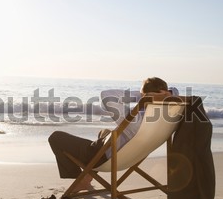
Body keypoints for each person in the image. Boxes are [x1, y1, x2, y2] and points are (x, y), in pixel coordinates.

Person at [48, 77, 177, 192]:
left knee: (55, 137)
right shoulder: (167, 114)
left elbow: (106, 95)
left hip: (105, 156)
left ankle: (80, 179)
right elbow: (175, 91)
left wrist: (142, 96)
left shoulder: (135, 120)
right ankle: (87, 178)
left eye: (142, 95)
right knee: (105, 132)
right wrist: (160, 95)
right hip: (133, 155)